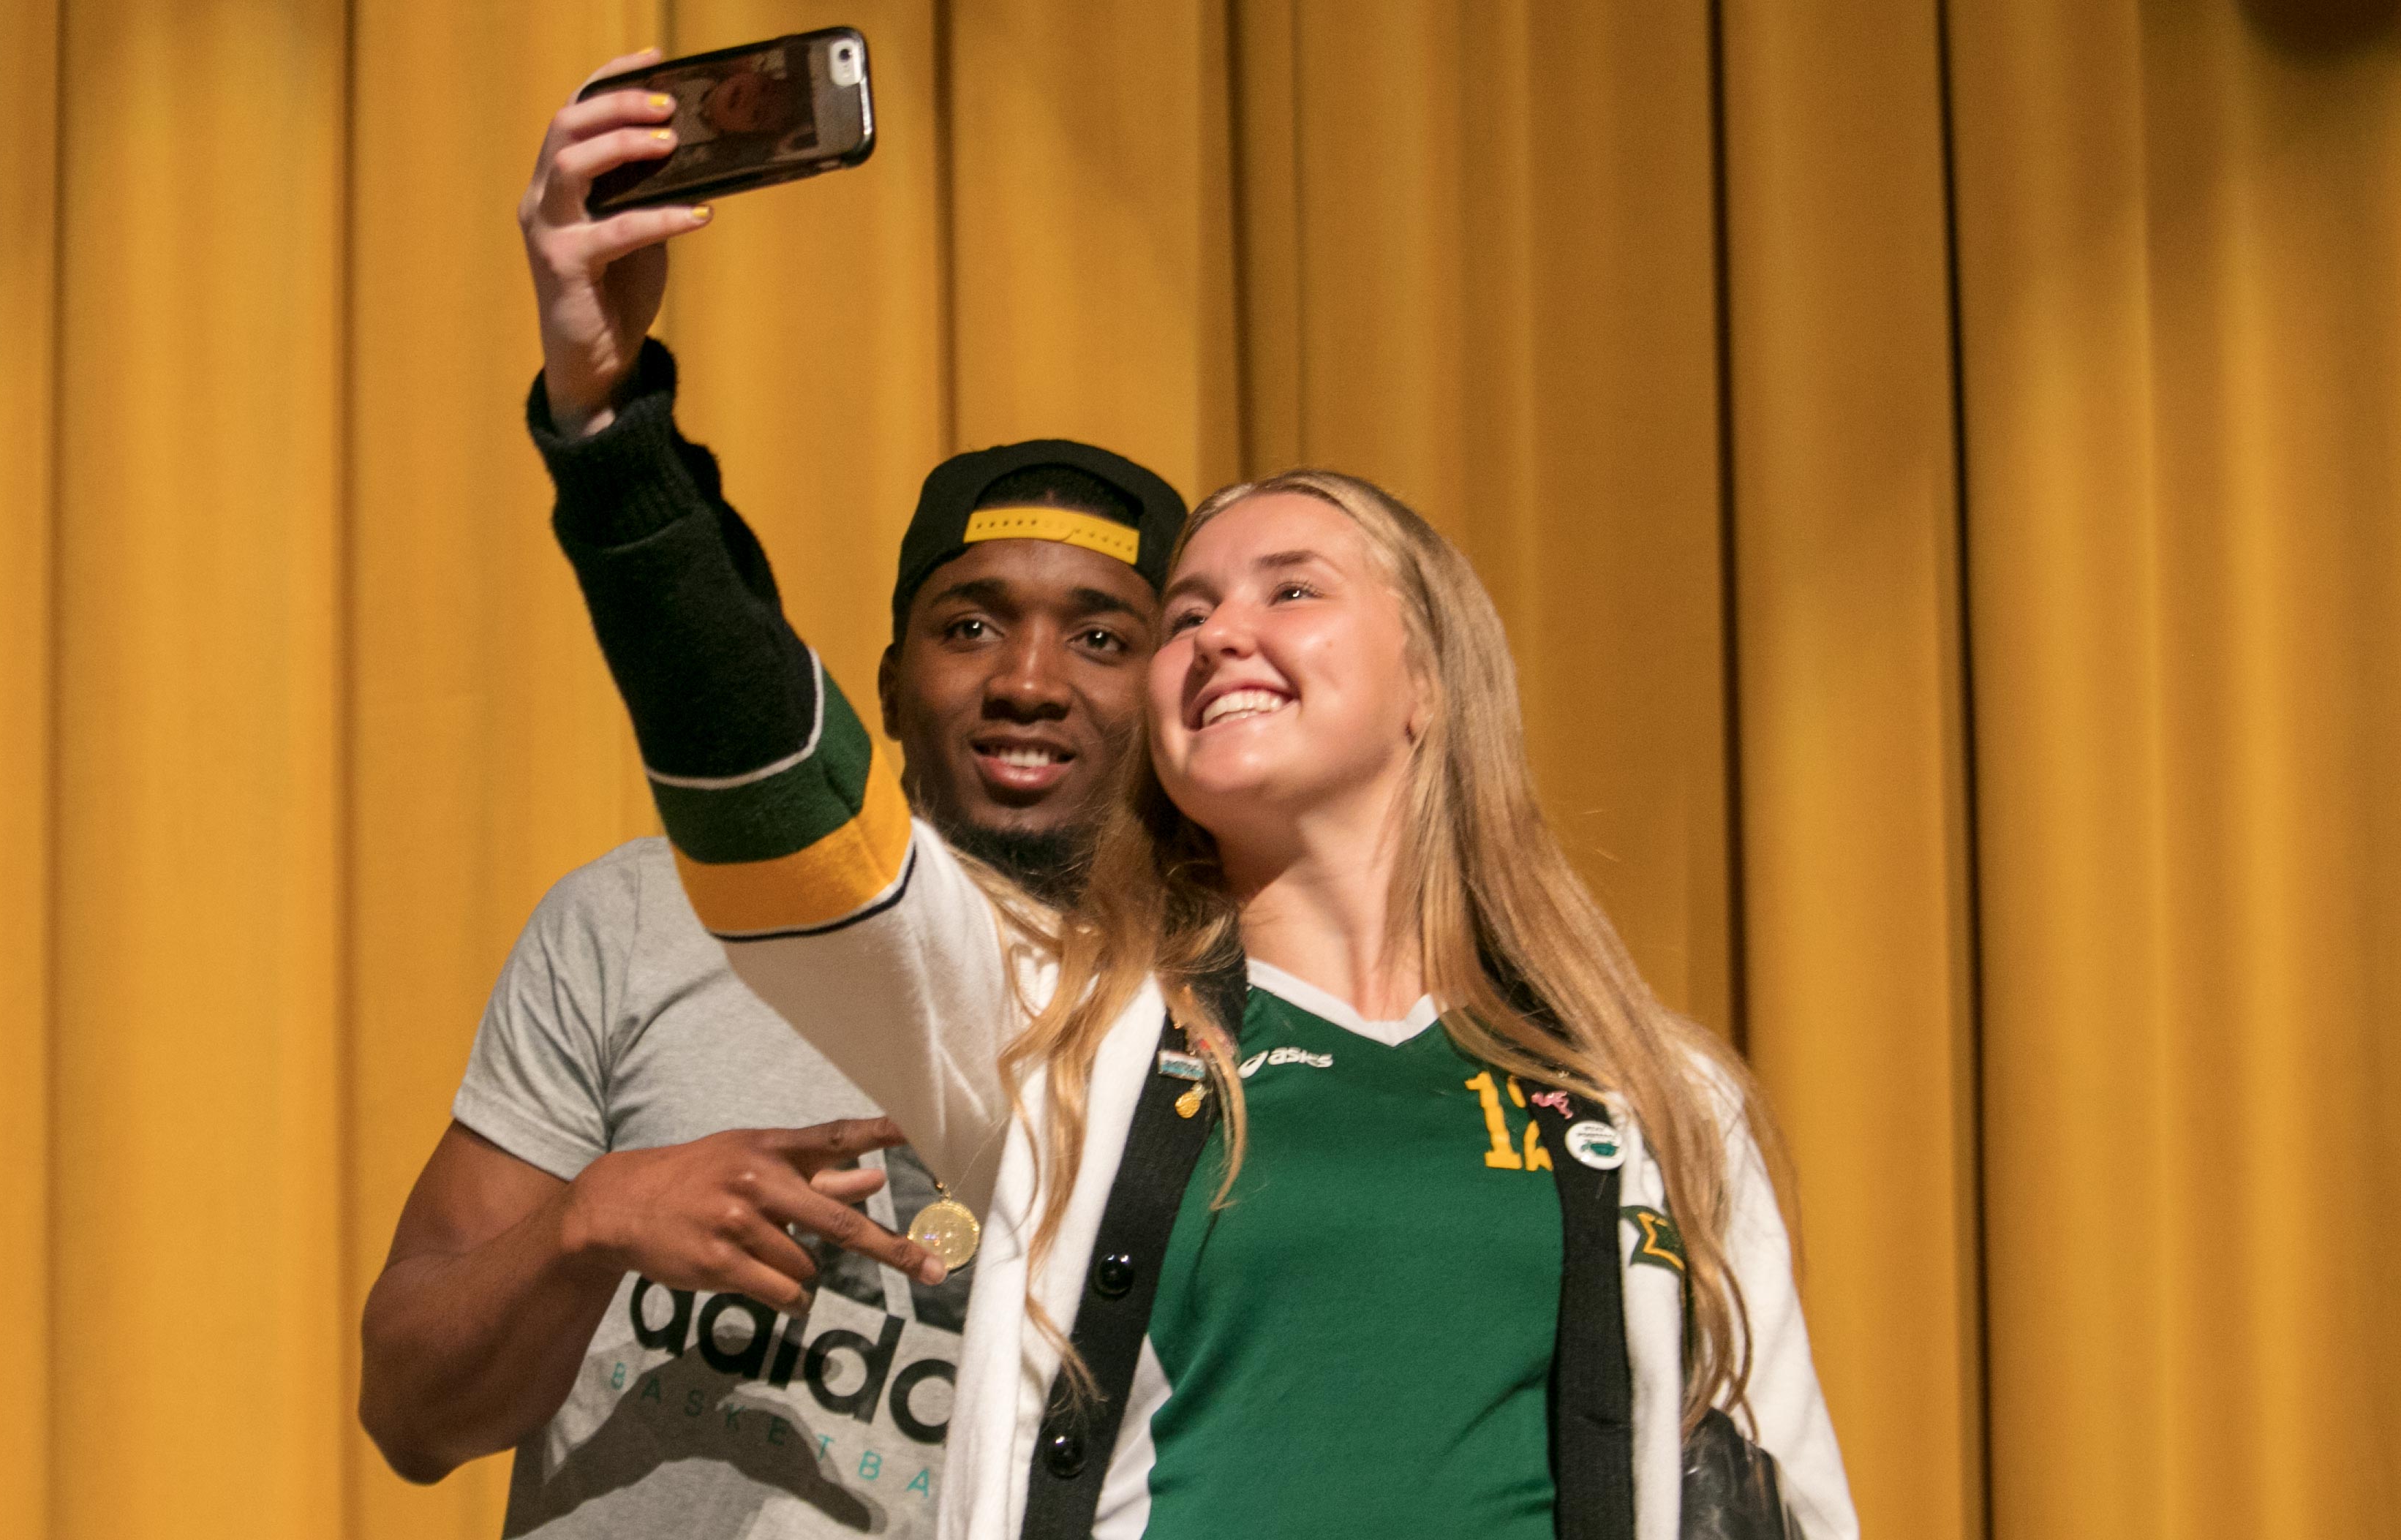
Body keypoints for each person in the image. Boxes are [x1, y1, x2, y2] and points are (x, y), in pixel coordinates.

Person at [514, 48, 1860, 1540]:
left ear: (1431, 679)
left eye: (1290, 589)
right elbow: (785, 804)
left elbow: (1785, 1496)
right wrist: (611, 421)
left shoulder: (1652, 1097)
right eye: (1193, 608)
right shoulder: (1062, 1037)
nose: (1221, 630)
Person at [355, 50, 1193, 1539]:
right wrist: (585, 1224)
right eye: (972, 623)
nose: (1028, 679)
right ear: (881, 681)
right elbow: (413, 1413)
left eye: (1104, 636)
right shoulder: (634, 923)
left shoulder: (1237, 1015)